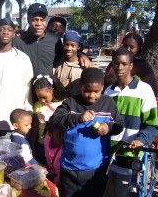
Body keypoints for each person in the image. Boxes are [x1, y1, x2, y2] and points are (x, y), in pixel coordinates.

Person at [48, 67, 124, 197]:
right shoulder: (71, 103)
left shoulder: (108, 103)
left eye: (96, 91)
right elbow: (54, 120)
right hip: (70, 168)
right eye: (88, 91)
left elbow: (119, 125)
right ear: (80, 86)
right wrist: (78, 118)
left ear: (103, 87)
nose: (92, 95)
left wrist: (107, 127)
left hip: (96, 169)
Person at [103, 48, 158, 197]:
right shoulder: (108, 91)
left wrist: (141, 139)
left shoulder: (144, 91)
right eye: (116, 63)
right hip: (108, 156)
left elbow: (153, 125)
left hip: (131, 156)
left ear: (131, 66)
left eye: (124, 63)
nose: (119, 67)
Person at [0, 3, 91, 78]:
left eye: (42, 20)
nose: (38, 24)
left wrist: (81, 55)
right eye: (35, 20)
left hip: (47, 93)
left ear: (46, 21)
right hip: (23, 90)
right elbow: (1, 46)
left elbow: (67, 56)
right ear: (28, 19)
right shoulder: (18, 39)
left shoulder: (55, 41)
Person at [0, 18, 33, 143]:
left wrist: (28, 117)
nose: (5, 32)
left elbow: (28, 90)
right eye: (1, 29)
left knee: (16, 160)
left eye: (9, 30)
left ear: (14, 33)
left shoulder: (23, 59)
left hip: (17, 124)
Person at [31, 74, 67, 165]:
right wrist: (32, 144)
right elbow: (35, 127)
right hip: (41, 144)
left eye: (45, 97)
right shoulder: (37, 106)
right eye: (39, 97)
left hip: (56, 144)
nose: (42, 100)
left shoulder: (63, 104)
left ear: (52, 91)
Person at [53, 30, 84, 97]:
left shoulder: (84, 65)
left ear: (79, 47)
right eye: (66, 45)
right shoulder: (57, 65)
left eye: (73, 45)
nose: (69, 48)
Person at [44, 120, 63, 186]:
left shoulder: (65, 147)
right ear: (50, 134)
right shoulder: (47, 141)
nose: (63, 137)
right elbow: (47, 157)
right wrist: (50, 172)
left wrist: (55, 181)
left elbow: (63, 171)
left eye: (65, 134)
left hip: (61, 177)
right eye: (59, 135)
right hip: (52, 172)